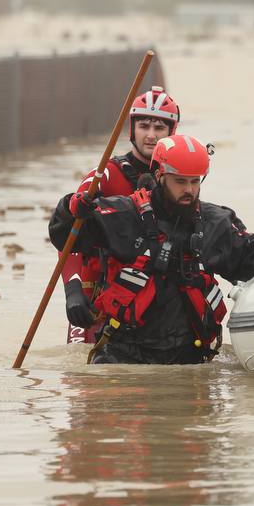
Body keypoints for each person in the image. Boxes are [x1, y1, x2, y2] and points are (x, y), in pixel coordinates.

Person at [49, 133, 254, 364]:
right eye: (180, 182)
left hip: (192, 358)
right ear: (160, 175)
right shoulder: (123, 214)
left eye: (195, 182)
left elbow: (248, 260)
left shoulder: (215, 223)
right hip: (124, 357)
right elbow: (66, 238)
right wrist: (69, 210)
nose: (189, 190)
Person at [62, 85, 180, 343]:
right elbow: (68, 237)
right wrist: (72, 290)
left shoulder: (179, 178)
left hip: (154, 300)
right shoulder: (102, 177)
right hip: (101, 297)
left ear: (171, 132)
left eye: (159, 128)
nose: (151, 135)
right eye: (144, 126)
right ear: (132, 129)